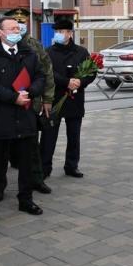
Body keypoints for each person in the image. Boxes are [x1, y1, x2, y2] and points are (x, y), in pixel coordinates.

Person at [0, 16, 45, 225]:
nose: (17, 31)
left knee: (26, 163)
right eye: (12, 28)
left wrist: (30, 93)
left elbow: (41, 76)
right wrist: (13, 97)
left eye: (19, 28)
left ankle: (26, 199)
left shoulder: (29, 54)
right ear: (0, 32)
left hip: (25, 117)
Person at [4, 8, 54, 194]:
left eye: (23, 22)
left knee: (32, 145)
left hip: (30, 103)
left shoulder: (35, 45)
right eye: (16, 23)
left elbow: (46, 73)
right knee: (4, 146)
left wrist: (47, 99)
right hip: (7, 104)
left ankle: (36, 179)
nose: (20, 26)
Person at [42, 17, 95, 178]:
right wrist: (66, 82)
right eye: (56, 32)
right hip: (55, 99)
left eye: (62, 31)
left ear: (70, 33)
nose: (58, 34)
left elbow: (91, 72)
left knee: (74, 135)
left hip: (75, 100)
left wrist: (80, 81)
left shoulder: (81, 52)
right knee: (49, 136)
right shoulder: (48, 52)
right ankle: (44, 168)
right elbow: (47, 73)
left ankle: (72, 166)